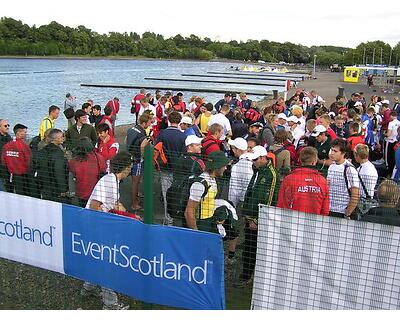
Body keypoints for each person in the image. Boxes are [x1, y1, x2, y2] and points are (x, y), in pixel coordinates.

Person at [82, 151, 132, 310]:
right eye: (130, 167)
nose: (130, 170)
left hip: (99, 226)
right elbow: (94, 205)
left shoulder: (113, 181)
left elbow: (115, 202)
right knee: (107, 263)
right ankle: (110, 305)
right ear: (124, 168)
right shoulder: (109, 180)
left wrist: (130, 216)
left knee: (99, 259)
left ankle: (87, 289)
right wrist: (101, 229)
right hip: (98, 227)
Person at [238, 145, 279, 285]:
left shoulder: (270, 174)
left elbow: (269, 200)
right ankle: (246, 275)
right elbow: (251, 193)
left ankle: (250, 277)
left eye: (255, 160)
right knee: (248, 248)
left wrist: (257, 220)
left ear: (263, 158)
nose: (253, 162)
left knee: (254, 249)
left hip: (259, 221)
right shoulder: (258, 171)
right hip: (250, 217)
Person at [184, 151, 230, 231]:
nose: (225, 168)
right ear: (217, 167)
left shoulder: (213, 179)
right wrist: (195, 231)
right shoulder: (200, 184)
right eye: (224, 165)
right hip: (200, 224)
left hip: (210, 222)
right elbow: (189, 211)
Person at [277, 146, 329, 215]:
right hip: (315, 223)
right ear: (314, 162)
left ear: (300, 160)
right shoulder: (322, 181)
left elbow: (281, 204)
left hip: (292, 222)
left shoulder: (289, 179)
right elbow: (325, 210)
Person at [155, 111, 186, 225]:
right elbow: (184, 153)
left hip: (165, 166)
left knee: (166, 193)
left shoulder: (162, 134)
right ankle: (176, 215)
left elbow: (156, 148)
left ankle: (168, 220)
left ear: (168, 120)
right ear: (179, 122)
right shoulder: (183, 136)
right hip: (178, 168)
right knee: (177, 193)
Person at [226, 138, 254, 263]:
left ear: (237, 150)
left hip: (240, 201)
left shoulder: (238, 166)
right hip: (250, 200)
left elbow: (234, 189)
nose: (232, 150)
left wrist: (231, 205)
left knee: (235, 227)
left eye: (233, 148)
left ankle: (231, 254)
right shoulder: (252, 161)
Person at [68, 137, 107, 207]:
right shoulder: (99, 158)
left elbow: (73, 172)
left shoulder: (74, 161)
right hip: (96, 191)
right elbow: (103, 170)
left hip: (81, 192)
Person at [327, 138, 360, 219]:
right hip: (329, 210)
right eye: (331, 150)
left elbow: (355, 194)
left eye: (335, 151)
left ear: (343, 153)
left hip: (341, 212)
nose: (331, 153)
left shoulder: (349, 169)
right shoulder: (331, 166)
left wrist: (347, 213)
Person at [126, 113, 153, 212]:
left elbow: (126, 140)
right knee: (135, 182)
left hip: (130, 156)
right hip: (137, 159)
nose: (149, 125)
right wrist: (143, 156)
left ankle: (137, 195)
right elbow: (142, 146)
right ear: (144, 123)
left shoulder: (132, 129)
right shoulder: (142, 133)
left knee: (134, 181)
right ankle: (134, 203)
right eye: (149, 123)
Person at [37, 129, 69, 202]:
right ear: (55, 139)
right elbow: (59, 172)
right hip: (55, 189)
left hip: (44, 185)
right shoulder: (57, 153)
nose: (63, 138)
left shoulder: (43, 150)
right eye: (61, 137)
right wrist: (63, 189)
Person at [1, 124, 32, 196]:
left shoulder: (7, 145)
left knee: (10, 193)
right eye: (25, 132)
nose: (26, 134)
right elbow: (29, 161)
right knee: (22, 194)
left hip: (9, 174)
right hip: (22, 175)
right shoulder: (24, 146)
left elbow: (3, 161)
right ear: (19, 133)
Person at [384, 111, 400, 176]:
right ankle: (392, 170)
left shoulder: (391, 123)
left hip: (390, 141)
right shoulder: (399, 122)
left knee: (387, 157)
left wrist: (384, 134)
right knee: (394, 157)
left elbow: (388, 134)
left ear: (391, 116)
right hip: (396, 141)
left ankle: (388, 172)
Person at [0, 119, 12, 191]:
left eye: (8, 125)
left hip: (7, 168)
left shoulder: (8, 136)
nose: (7, 127)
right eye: (5, 126)